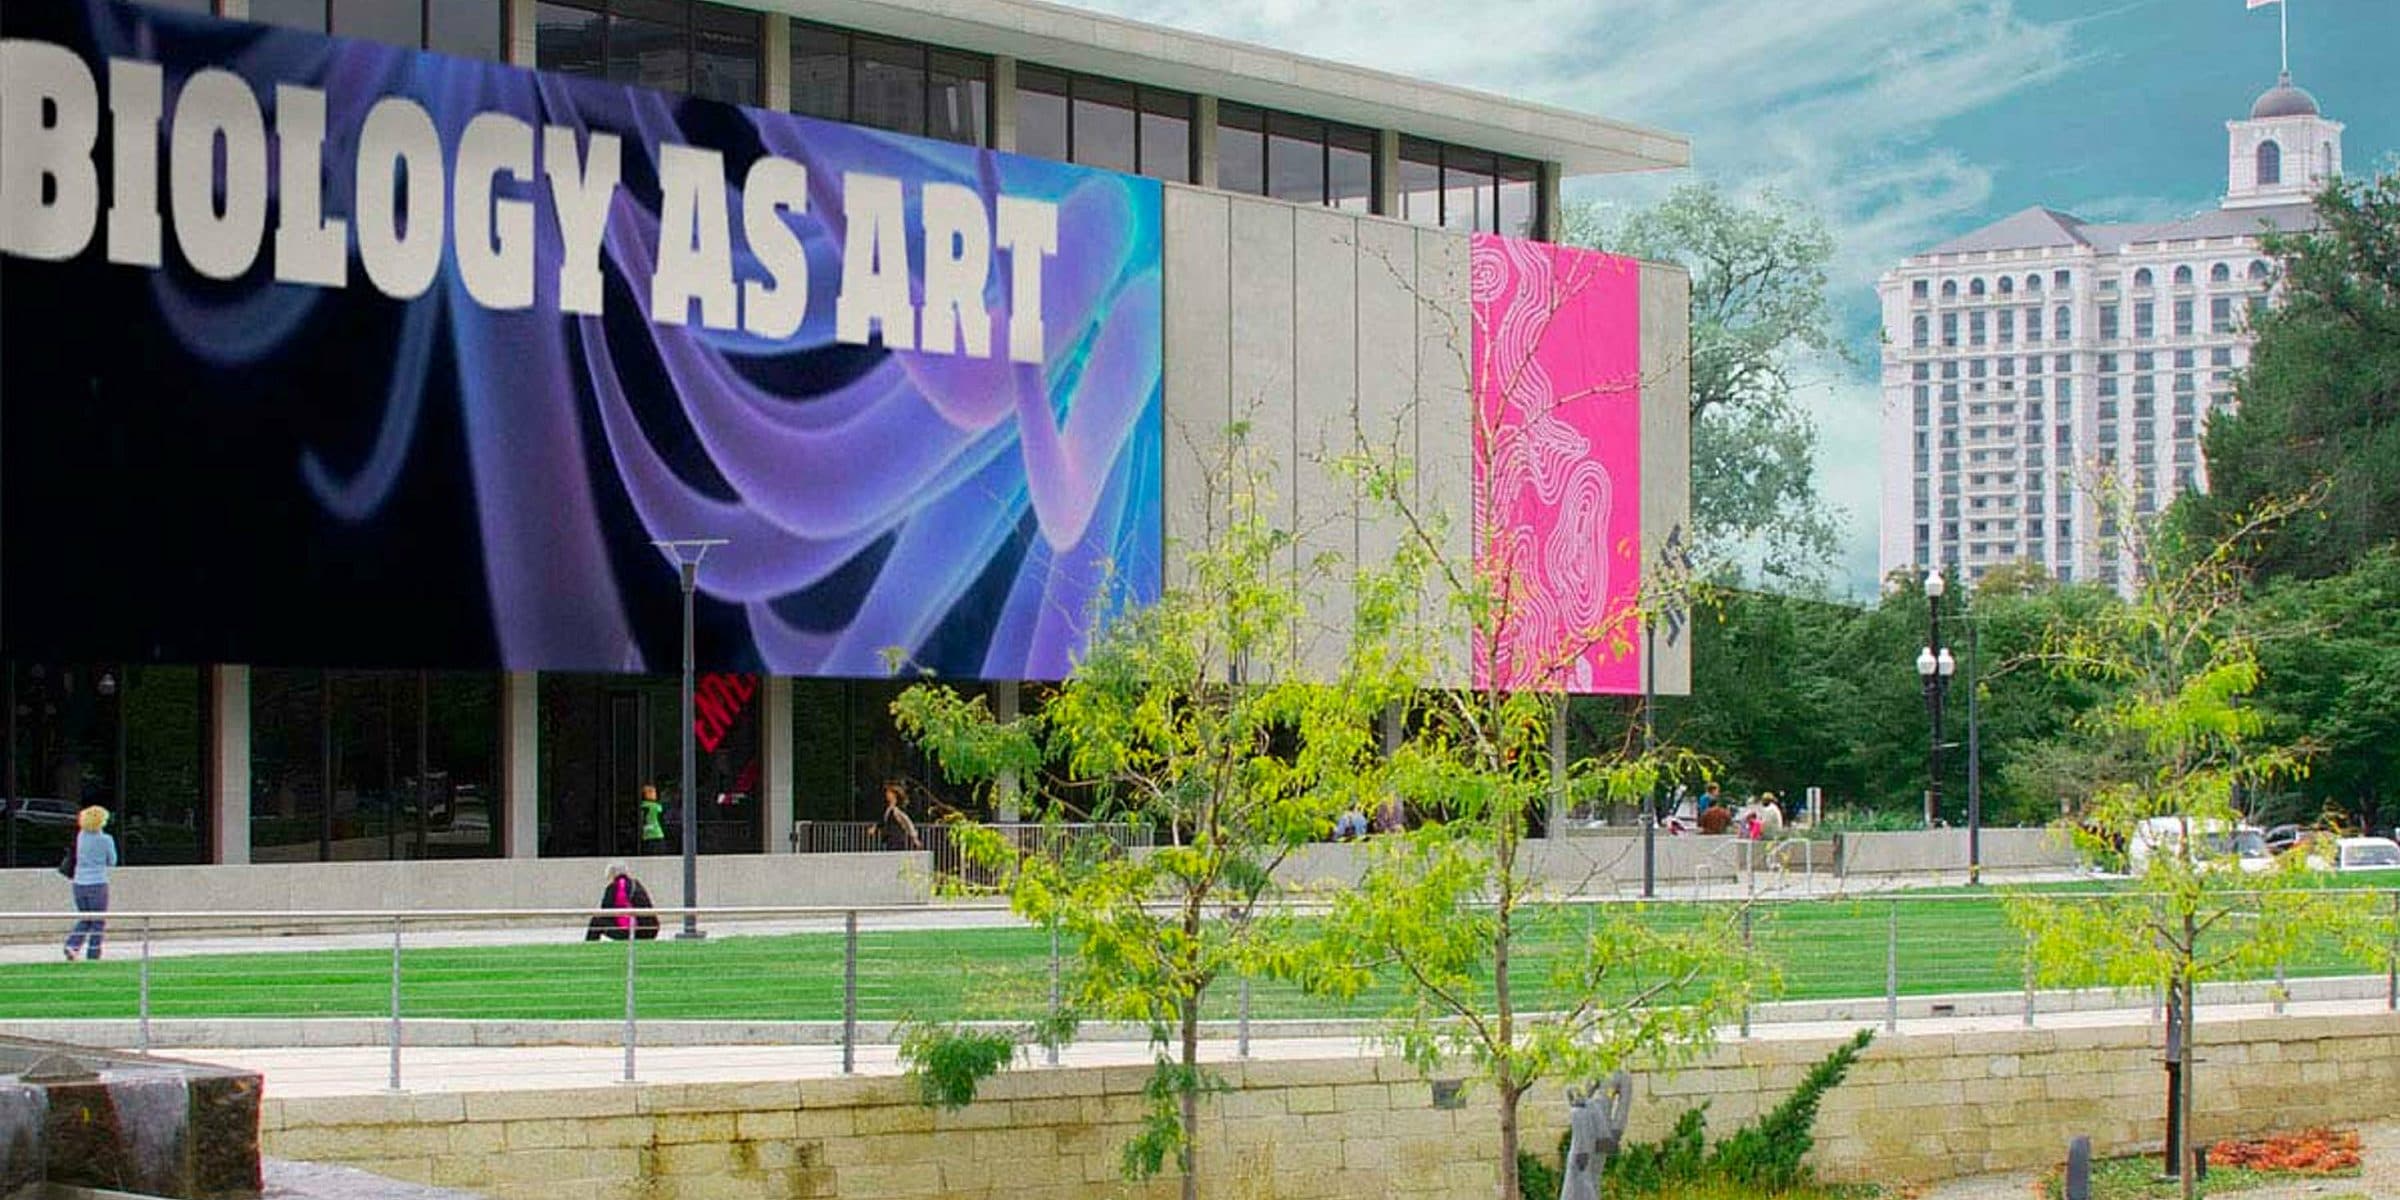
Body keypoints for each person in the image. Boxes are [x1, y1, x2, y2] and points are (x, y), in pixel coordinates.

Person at [63, 806, 117, 962]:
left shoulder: (81, 836)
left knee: (85, 917)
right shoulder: (106, 840)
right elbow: (112, 861)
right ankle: (93, 953)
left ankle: (72, 945)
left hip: (79, 882)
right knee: (98, 920)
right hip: (97, 882)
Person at [584, 862, 660, 941]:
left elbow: (605, 911)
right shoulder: (636, 884)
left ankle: (588, 946)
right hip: (651, 930)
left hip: (634, 931)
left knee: (596, 921)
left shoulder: (614, 887)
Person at [878, 782, 922, 851]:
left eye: (888, 793)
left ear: (894, 795)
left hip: (896, 840)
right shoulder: (888, 809)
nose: (886, 795)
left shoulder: (897, 810)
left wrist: (915, 838)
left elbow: (907, 822)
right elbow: (883, 822)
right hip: (889, 840)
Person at [637, 785, 667, 856]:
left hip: (646, 834)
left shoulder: (642, 806)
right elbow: (662, 819)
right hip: (657, 833)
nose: (654, 794)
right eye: (652, 792)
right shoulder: (657, 806)